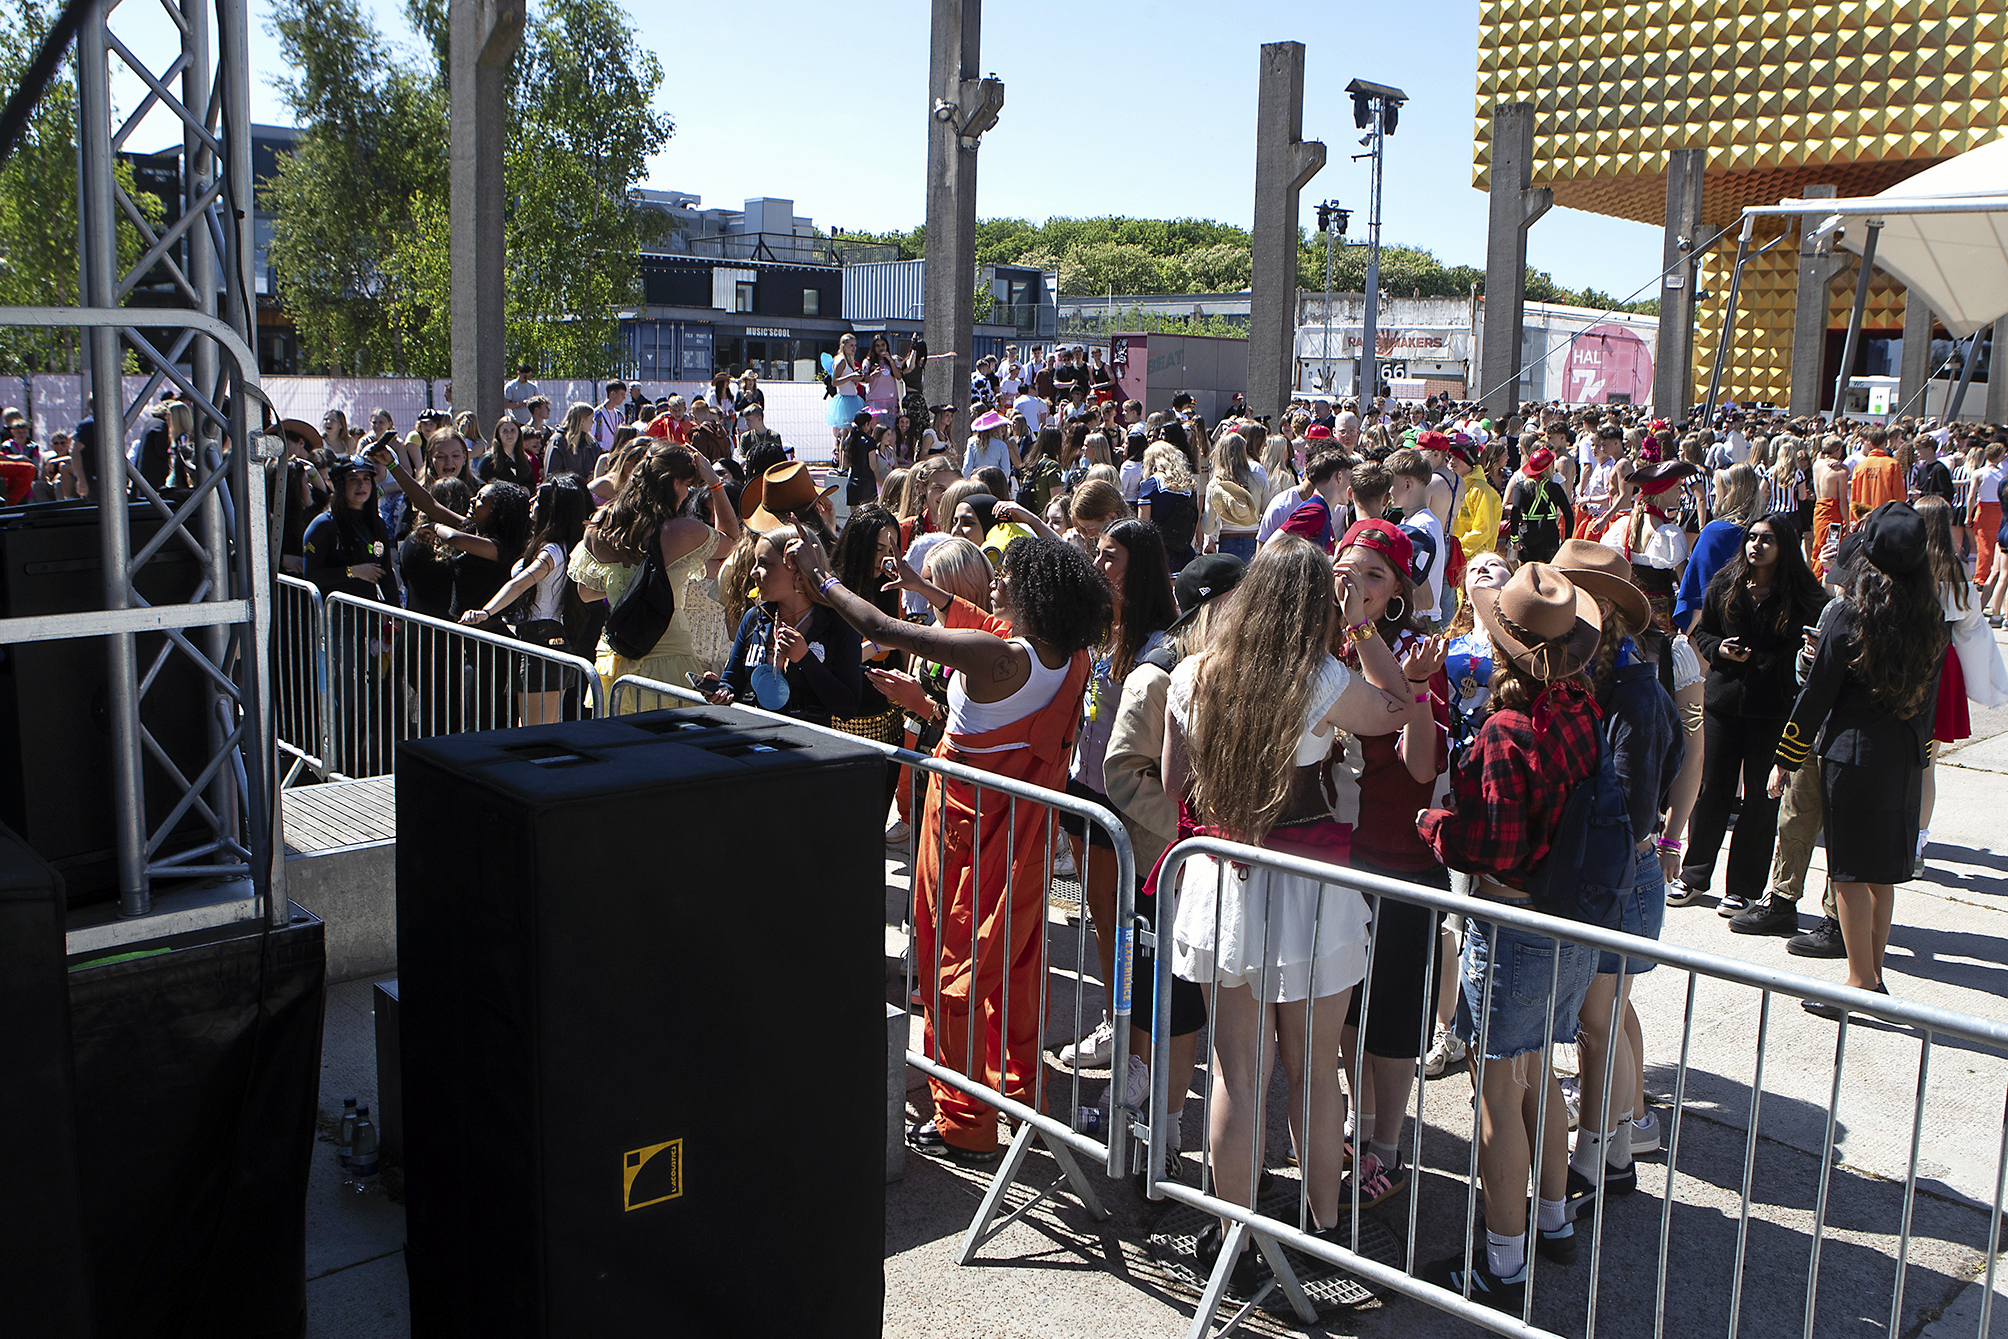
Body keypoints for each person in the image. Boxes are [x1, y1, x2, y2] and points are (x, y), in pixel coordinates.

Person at [787, 530, 1111, 1164]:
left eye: (1011, 575)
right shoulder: (1066, 654)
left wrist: (821, 578)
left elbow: (883, 627)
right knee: (1015, 967)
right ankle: (1020, 1092)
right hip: (1020, 831)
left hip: (965, 830)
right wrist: (928, 589)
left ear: (1037, 597)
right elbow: (980, 620)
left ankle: (965, 1118)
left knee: (951, 971)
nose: (998, 578)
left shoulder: (998, 657)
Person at [1162, 536, 1428, 1289]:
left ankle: (1232, 1236)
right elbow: (1398, 710)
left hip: (1220, 877)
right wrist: (1364, 629)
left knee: (1237, 1070)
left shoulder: (1190, 672)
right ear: (1319, 604)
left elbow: (1180, 786)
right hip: (1307, 889)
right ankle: (1322, 1230)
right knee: (1312, 1071)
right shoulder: (1321, 676)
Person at [1417, 564, 1606, 1310]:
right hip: (1568, 919)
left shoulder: (1506, 728)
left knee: (1499, 1090)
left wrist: (1433, 825)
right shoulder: (1581, 709)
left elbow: (1487, 845)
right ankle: (1552, 1220)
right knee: (1536, 1073)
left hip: (1516, 917)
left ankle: (1503, 1262)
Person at [1101, 552, 1244, 1188]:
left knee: (1190, 1015)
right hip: (1165, 870)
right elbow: (1122, 775)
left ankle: (1174, 1139)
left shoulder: (1229, 672)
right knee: (1158, 1016)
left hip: (1202, 872)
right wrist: (1193, 830)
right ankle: (1147, 1139)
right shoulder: (1155, 677)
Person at [1773, 503, 1946, 1018]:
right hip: (1904, 759)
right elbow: (1929, 703)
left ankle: (1860, 979)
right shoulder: (1932, 617)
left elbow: (1816, 694)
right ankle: (1873, 973)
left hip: (1851, 758)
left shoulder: (1852, 614)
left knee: (1848, 873)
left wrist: (1785, 756)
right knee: (1880, 875)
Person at [1550, 540, 1681, 1211]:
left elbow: (1633, 806)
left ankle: (1595, 1159)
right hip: (1603, 872)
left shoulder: (1635, 691)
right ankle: (1619, 1151)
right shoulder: (1598, 677)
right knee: (1601, 1017)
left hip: (1615, 875)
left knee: (1596, 1021)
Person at [1327, 520, 1449, 1210]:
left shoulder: (1412, 652)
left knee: (1395, 1009)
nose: (1358, 586)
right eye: (1348, 570)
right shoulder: (1325, 639)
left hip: (1402, 860)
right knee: (1345, 1004)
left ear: (1399, 589)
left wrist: (1371, 641)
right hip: (1339, 852)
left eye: (1374, 575)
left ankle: (1389, 1146)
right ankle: (1356, 1119)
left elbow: (1421, 763)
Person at [1052, 517, 1178, 1072]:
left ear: (1140, 568)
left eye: (1111, 558)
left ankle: (1133, 1042)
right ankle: (1119, 1023)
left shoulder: (1160, 647)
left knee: (1128, 927)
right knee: (1104, 919)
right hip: (1085, 793)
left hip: (1127, 808)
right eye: (1097, 556)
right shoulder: (1101, 629)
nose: (1099, 567)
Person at [1669, 512, 1828, 915]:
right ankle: (1694, 875)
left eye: (1766, 540)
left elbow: (1820, 637)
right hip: (1723, 702)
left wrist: (1795, 657)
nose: (1756, 545)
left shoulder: (1803, 594)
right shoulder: (1727, 582)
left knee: (1760, 798)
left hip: (1773, 708)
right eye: (1752, 538)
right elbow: (1701, 633)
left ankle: (1743, 887)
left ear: (1784, 547)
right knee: (1712, 791)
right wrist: (1718, 649)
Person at [569, 444, 738, 706]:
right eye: (687, 486)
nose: (687, 494)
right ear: (673, 483)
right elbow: (731, 539)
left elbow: (585, 591)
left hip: (614, 660)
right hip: (668, 661)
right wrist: (714, 483)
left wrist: (626, 586)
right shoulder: (681, 531)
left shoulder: (599, 526)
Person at [456, 475, 593, 724]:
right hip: (544, 641)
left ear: (550, 508)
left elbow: (521, 583)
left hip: (543, 642)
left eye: (538, 499)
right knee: (541, 729)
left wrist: (485, 612)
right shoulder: (554, 546)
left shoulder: (552, 550)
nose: (531, 501)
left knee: (536, 731)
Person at [707, 527, 863, 727]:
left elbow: (847, 708)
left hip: (807, 749)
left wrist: (805, 659)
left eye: (763, 563)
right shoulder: (755, 618)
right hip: (752, 741)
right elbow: (732, 682)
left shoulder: (839, 624)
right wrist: (718, 689)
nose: (753, 572)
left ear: (797, 570)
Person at [1674, 463, 1761, 631]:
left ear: (1730, 492)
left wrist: (1685, 636)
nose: (1712, 493)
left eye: (1716, 487)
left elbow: (1698, 596)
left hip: (1718, 632)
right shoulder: (1764, 531)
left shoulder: (1715, 532)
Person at [1202, 424, 1266, 561]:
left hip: (1227, 540)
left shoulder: (1214, 484)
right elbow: (1267, 511)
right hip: (1253, 539)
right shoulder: (1258, 480)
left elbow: (1207, 527)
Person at [1136, 442, 1199, 571]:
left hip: (1159, 552)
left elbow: (1143, 525)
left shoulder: (1150, 485)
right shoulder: (1188, 486)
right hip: (1185, 549)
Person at [1504, 448, 1573, 565]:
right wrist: (1567, 539)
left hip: (1528, 534)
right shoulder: (1555, 488)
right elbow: (1569, 515)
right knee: (1549, 574)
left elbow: (1515, 512)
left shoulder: (1520, 487)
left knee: (1525, 574)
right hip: (1550, 535)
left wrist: (1514, 538)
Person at [480, 414, 536, 487]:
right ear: (499, 434)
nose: (509, 434)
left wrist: (527, 489)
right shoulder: (489, 459)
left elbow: (531, 483)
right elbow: (481, 485)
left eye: (513, 430)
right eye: (505, 431)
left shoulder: (524, 459)